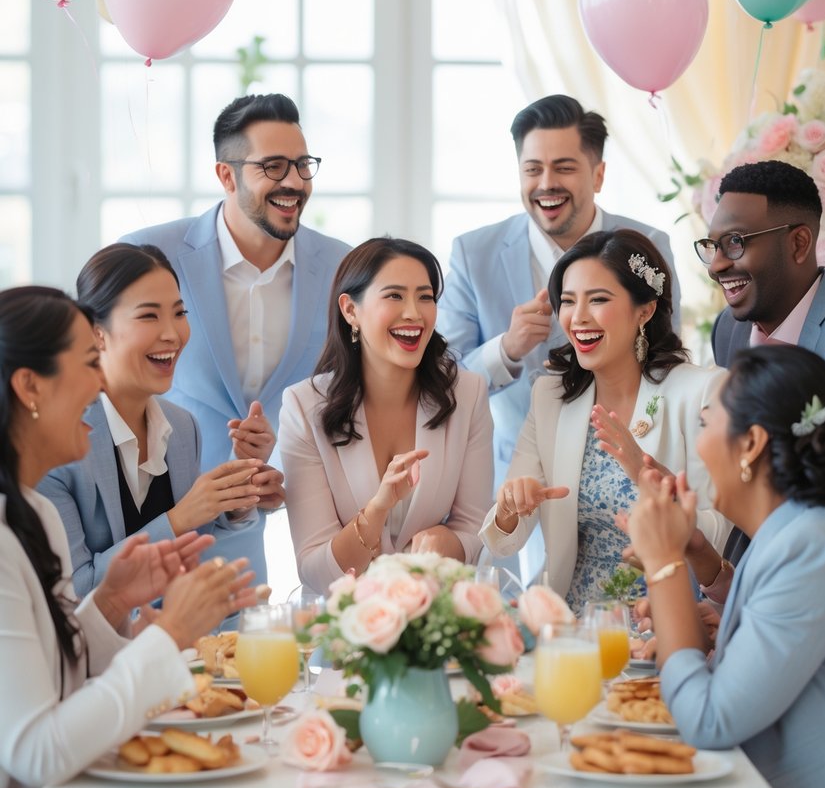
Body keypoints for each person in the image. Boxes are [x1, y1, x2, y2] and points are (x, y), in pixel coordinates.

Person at [0, 285, 256, 788]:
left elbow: (51, 672)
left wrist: (111, 604)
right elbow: (36, 749)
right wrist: (168, 634)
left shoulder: (31, 513)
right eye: (91, 363)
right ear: (30, 387)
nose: (101, 385)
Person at [585, 345, 825, 788]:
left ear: (751, 444)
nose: (694, 448)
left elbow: (709, 721)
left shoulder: (809, 545)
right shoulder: (792, 530)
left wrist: (665, 564)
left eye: (704, 423)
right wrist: (697, 569)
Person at [439, 95, 681, 582]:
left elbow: (663, 360)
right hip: (511, 478)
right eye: (532, 169)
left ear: (598, 174)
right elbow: (440, 380)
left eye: (564, 167)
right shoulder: (473, 252)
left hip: (627, 472)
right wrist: (505, 349)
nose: (546, 184)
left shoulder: (647, 246)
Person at [121, 92, 350, 583]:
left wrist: (282, 469)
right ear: (226, 175)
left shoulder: (343, 270)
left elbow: (350, 398)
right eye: (273, 166)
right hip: (149, 524)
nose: (294, 182)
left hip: (250, 535)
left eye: (303, 164)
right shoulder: (147, 255)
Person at [481, 229, 729, 609]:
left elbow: (722, 535)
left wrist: (651, 480)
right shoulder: (550, 397)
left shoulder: (701, 392)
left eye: (598, 300)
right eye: (567, 301)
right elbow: (505, 540)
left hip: (669, 620)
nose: (578, 318)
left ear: (644, 310)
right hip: (573, 621)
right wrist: (511, 508)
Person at [37, 243, 283, 600]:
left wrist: (237, 499)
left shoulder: (182, 427)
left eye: (179, 313)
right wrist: (178, 519)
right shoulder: (55, 445)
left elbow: (193, 557)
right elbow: (75, 591)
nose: (172, 333)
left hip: (175, 648)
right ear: (96, 333)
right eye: (149, 316)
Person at [279, 237, 494, 593]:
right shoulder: (304, 407)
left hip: (439, 614)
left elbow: (475, 529)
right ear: (350, 310)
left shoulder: (468, 395)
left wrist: (449, 543)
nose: (414, 313)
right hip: (343, 625)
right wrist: (377, 509)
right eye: (394, 296)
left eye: (425, 297)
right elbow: (315, 569)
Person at [688, 159, 825, 591]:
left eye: (734, 243)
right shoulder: (728, 331)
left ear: (799, 243)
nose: (715, 265)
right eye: (710, 246)